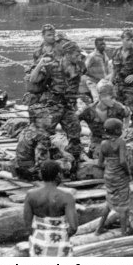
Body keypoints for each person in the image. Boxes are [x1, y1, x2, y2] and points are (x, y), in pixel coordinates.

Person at [29, 40, 86, 177]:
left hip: (69, 107)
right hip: (53, 106)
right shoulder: (52, 66)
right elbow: (33, 79)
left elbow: (85, 63)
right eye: (76, 54)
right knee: (43, 136)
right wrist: (39, 64)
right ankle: (41, 167)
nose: (79, 56)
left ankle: (74, 167)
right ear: (68, 54)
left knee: (75, 134)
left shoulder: (80, 66)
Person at [24, 160, 78, 257]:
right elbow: (73, 227)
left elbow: (27, 224)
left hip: (38, 242)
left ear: (41, 175)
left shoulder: (31, 195)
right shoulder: (67, 196)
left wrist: (41, 234)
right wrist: (62, 235)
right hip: (61, 242)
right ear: (58, 175)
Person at [96, 118, 133, 235]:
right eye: (121, 128)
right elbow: (122, 161)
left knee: (109, 202)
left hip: (108, 175)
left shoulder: (103, 143)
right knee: (123, 205)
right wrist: (128, 173)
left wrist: (110, 166)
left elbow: (99, 163)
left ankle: (99, 229)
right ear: (117, 130)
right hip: (120, 176)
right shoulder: (120, 142)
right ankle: (123, 233)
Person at [78, 82, 131, 158]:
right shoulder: (88, 111)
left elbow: (128, 113)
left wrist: (125, 130)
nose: (114, 101)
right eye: (111, 98)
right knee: (100, 156)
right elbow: (73, 121)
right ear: (101, 97)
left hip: (115, 140)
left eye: (115, 98)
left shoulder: (118, 107)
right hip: (98, 141)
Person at [15, 112, 72, 181]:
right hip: (31, 171)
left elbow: (51, 149)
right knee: (68, 163)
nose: (51, 117)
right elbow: (43, 162)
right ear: (39, 119)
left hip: (19, 168)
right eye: (48, 116)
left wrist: (62, 153)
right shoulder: (42, 135)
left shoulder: (26, 130)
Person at [83, 37, 111, 102]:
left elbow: (107, 69)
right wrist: (92, 76)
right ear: (96, 46)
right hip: (93, 82)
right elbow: (84, 68)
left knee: (105, 100)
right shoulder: (92, 56)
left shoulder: (105, 55)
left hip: (103, 82)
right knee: (97, 100)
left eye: (104, 44)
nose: (103, 46)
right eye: (101, 44)